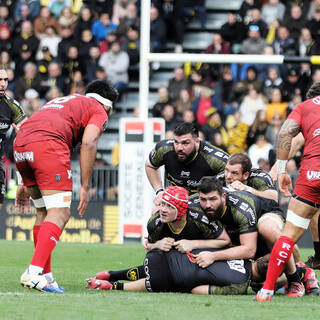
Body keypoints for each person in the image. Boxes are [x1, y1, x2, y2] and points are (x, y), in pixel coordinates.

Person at [14, 79, 119, 293]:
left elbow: (28, 128)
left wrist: (23, 182)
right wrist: (85, 186)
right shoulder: (99, 109)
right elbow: (89, 143)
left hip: (21, 146)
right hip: (48, 145)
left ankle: (46, 275)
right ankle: (33, 273)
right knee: (60, 212)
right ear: (108, 104)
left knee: (43, 211)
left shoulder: (62, 100)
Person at [188, 176, 319, 296]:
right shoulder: (194, 203)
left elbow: (249, 250)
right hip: (242, 233)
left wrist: (212, 256)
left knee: (266, 228)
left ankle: (295, 280)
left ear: (223, 196)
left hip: (266, 216)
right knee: (255, 281)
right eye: (203, 200)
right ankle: (301, 271)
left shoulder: (240, 208)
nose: (207, 205)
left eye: (212, 199)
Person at [255, 81, 320, 301]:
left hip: (311, 175)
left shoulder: (304, 108)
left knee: (288, 235)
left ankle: (266, 291)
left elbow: (285, 134)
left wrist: (281, 170)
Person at [94, 185, 230, 282]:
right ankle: (111, 276)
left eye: (170, 206)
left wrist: (193, 244)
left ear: (181, 211)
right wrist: (158, 244)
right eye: (163, 204)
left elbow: (225, 241)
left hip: (202, 259)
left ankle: (112, 277)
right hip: (174, 261)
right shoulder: (155, 223)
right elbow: (149, 248)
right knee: (155, 268)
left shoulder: (200, 218)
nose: (163, 210)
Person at [86, 249, 272, 295]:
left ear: (256, 259)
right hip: (168, 277)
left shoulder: (237, 251)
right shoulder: (239, 285)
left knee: (149, 270)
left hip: (162, 255)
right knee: (162, 281)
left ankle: (111, 273)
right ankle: (112, 286)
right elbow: (197, 290)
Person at [145, 122, 229, 204]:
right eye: (176, 142)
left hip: (204, 206)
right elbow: (150, 166)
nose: (179, 148)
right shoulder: (164, 149)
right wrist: (159, 191)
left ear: (197, 141)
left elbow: (236, 178)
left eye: (185, 143)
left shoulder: (215, 159)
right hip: (173, 202)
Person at [0, 67, 26, 210]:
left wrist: (21, 133)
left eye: (5, 80)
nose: (3, 84)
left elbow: (26, 129)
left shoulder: (12, 106)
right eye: (0, 80)